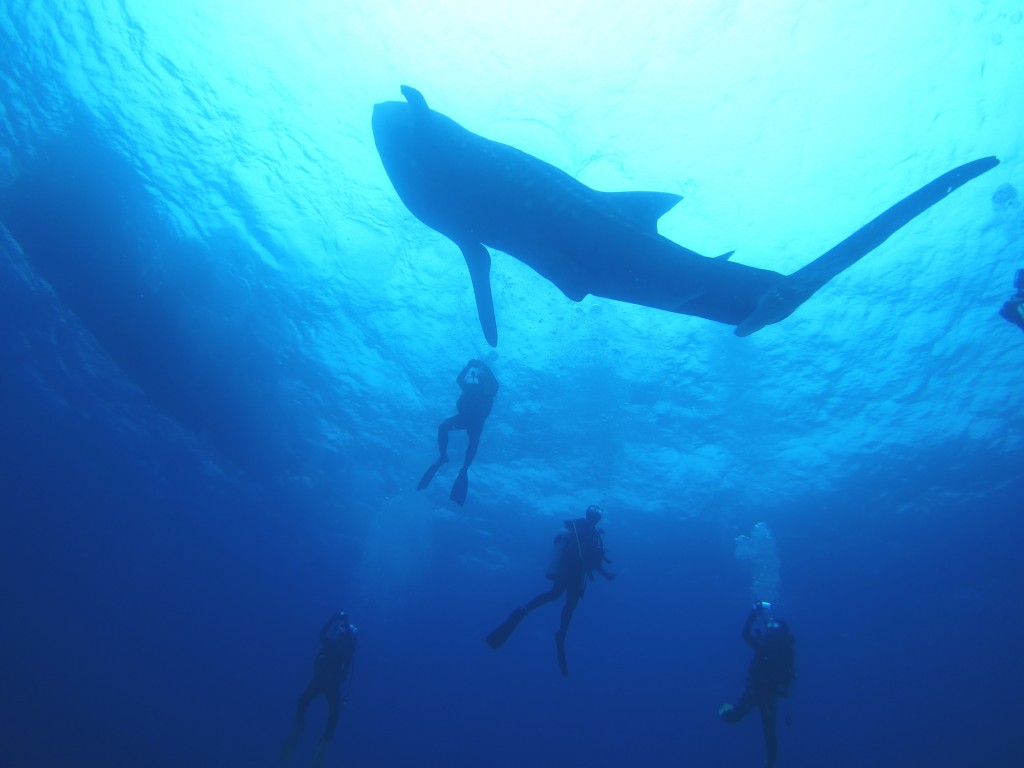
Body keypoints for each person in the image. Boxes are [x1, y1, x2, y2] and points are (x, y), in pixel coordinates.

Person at [485, 505, 616, 676]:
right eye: (593, 515)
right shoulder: (580, 527)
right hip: (569, 568)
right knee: (555, 595)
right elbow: (581, 553)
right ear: (589, 515)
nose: (595, 519)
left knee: (570, 605)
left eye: (597, 516)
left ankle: (560, 633)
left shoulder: (594, 535)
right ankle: (527, 611)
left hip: (578, 574)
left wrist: (606, 574)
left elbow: (594, 561)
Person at [719, 602, 795, 768]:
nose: (770, 628)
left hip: (758, 693)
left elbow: (745, 634)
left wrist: (753, 613)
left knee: (735, 718)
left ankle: (723, 710)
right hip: (767, 695)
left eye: (773, 626)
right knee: (770, 735)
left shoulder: (766, 646)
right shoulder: (783, 649)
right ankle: (771, 764)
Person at [416, 359, 499, 506]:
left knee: (472, 445)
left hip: (476, 422)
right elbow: (459, 379)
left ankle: (464, 468)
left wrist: (483, 367)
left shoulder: (488, 391)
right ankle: (443, 457)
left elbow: (495, 384)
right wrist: (469, 366)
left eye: (481, 378)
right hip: (465, 419)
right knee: (443, 427)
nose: (478, 380)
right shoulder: (470, 388)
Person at [280, 612, 358, 768]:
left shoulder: (340, 647)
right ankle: (321, 738)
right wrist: (336, 620)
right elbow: (323, 635)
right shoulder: (337, 646)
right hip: (327, 682)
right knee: (330, 713)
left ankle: (304, 729)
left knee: (306, 703)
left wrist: (335, 619)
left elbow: (323, 634)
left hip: (323, 681)